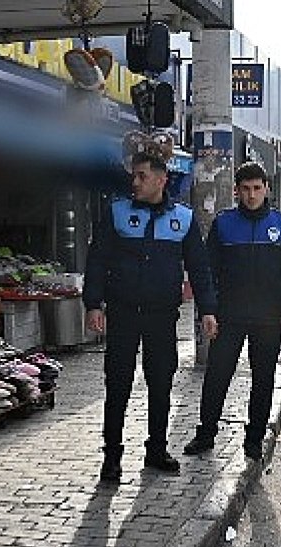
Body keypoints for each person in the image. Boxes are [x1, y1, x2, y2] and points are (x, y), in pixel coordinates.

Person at [83, 148, 218, 483]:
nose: (135, 182)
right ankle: (111, 457)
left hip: (161, 317)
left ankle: (156, 449)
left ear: (161, 179)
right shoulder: (116, 213)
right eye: (134, 175)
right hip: (123, 315)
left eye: (142, 176)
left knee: (161, 385)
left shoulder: (183, 219)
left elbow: (200, 269)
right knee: (117, 386)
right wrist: (93, 303)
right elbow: (97, 261)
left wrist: (208, 310)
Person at [184, 162, 281, 461]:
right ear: (236, 191)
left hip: (269, 318)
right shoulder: (223, 224)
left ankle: (254, 439)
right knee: (217, 376)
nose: (251, 195)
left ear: (267, 189)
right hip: (229, 315)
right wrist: (208, 310)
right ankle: (206, 433)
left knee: (263, 380)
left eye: (257, 188)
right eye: (245, 189)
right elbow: (208, 271)